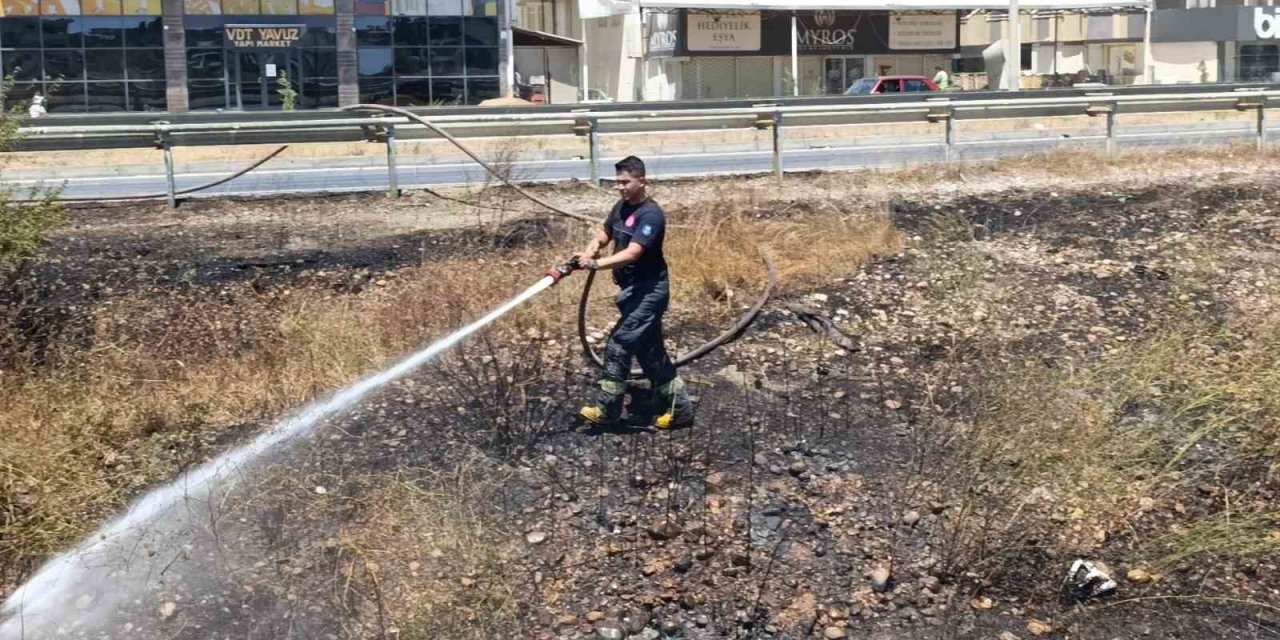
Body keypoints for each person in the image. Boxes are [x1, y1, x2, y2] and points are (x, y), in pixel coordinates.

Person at [573, 156, 693, 430]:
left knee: (620, 344)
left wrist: (596, 264)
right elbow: (605, 231)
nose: (621, 188)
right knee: (650, 351)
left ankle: (607, 410)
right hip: (631, 291)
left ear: (642, 181)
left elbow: (633, 252)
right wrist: (593, 246)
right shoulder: (622, 207)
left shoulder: (650, 215)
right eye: (617, 183)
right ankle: (680, 408)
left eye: (626, 182)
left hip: (650, 291)